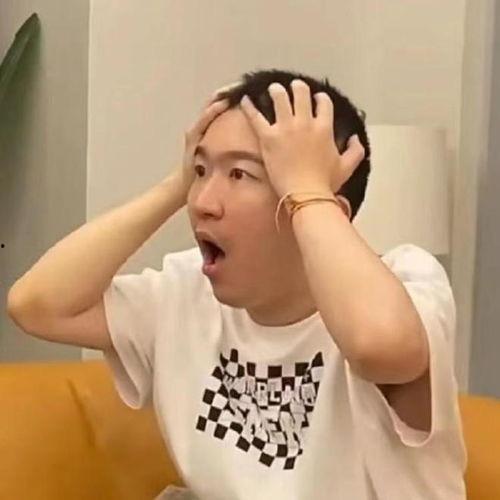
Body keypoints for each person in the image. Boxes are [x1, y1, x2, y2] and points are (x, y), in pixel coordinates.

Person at [7, 69, 467, 500]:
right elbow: (37, 305)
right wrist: (175, 186)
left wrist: (308, 190)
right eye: (202, 172)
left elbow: (378, 345)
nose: (204, 204)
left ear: (324, 210)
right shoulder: (185, 293)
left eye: (241, 174)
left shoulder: (407, 283)